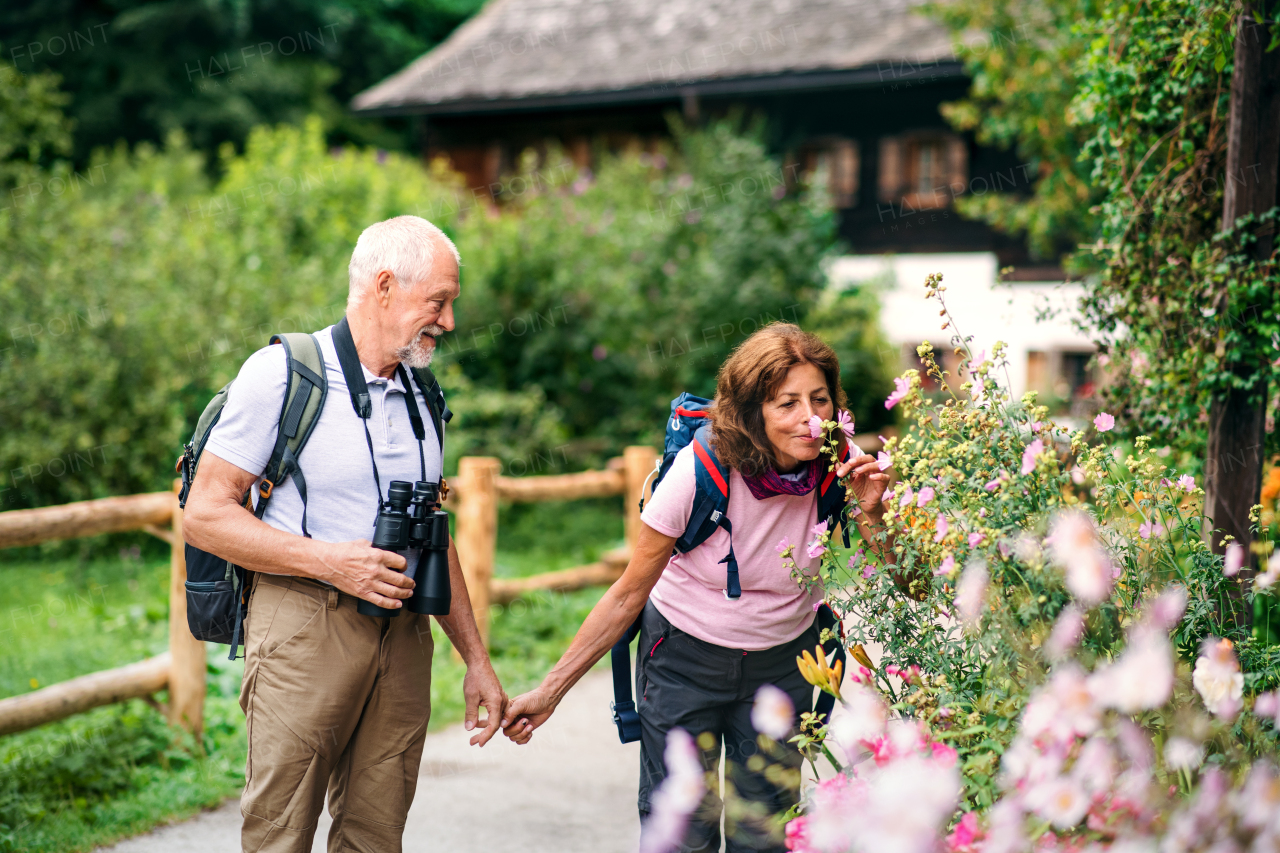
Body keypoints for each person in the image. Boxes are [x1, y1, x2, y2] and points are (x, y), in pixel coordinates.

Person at [500, 323, 894, 852]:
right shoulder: (698, 470)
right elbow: (626, 594)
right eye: (787, 404)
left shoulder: (839, 467)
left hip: (784, 666)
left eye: (820, 400)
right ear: (752, 411)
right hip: (684, 659)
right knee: (682, 832)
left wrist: (874, 513)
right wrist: (549, 691)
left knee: (766, 833)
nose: (810, 419)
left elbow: (907, 585)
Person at [183, 215, 507, 853]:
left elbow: (432, 536)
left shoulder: (423, 391)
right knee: (281, 832)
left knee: (377, 835)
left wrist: (477, 661)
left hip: (405, 631)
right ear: (384, 286)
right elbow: (206, 513)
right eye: (437, 302)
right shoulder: (281, 375)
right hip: (305, 623)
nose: (447, 321)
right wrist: (333, 563)